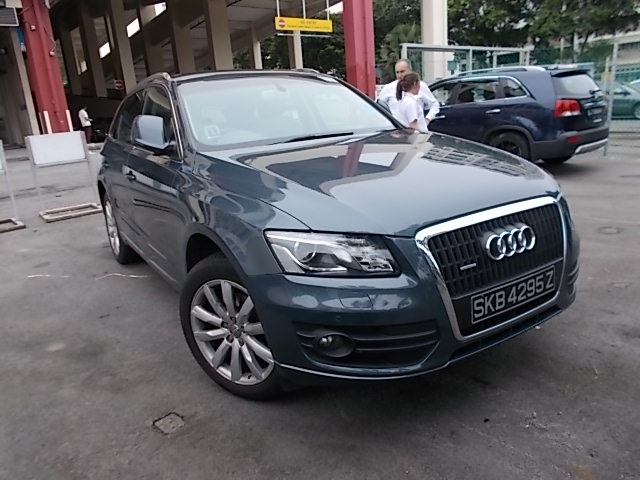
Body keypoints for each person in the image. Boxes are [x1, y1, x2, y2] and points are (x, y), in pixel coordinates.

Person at [377, 59, 439, 129]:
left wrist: (427, 119)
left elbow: (434, 104)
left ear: (410, 71)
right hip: (398, 130)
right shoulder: (388, 88)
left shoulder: (420, 86)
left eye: (402, 71)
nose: (400, 75)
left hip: (416, 130)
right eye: (397, 72)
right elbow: (378, 107)